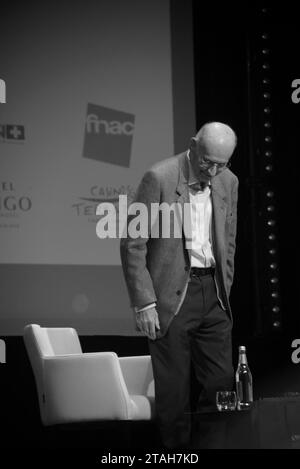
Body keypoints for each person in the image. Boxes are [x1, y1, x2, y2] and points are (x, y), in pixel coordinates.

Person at [120, 122, 238, 449]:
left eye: (221, 163)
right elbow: (132, 244)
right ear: (193, 145)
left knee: (221, 387)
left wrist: (224, 285)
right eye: (207, 162)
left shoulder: (229, 182)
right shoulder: (159, 177)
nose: (213, 170)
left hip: (213, 294)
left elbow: (228, 241)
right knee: (173, 397)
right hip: (170, 298)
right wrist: (144, 302)